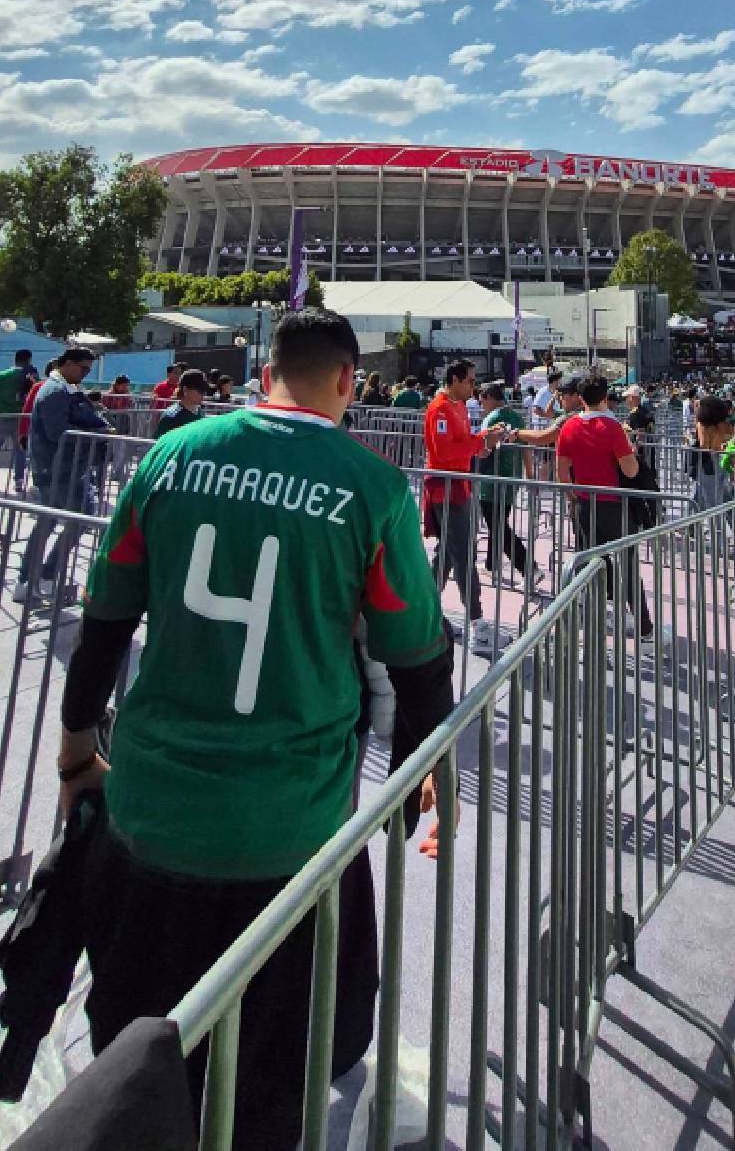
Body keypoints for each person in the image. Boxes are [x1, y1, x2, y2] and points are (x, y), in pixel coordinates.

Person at [53, 307, 453, 1150]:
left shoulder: (172, 455)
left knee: (136, 1050)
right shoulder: (373, 489)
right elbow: (417, 657)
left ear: (267, 369)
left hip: (154, 810)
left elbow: (104, 623)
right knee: (271, 1084)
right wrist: (428, 771)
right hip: (289, 829)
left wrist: (76, 750)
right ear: (348, 380)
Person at [555, 374, 654, 643]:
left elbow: (561, 469)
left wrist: (572, 497)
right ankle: (644, 630)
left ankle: (592, 625)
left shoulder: (568, 426)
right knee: (629, 565)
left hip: (584, 503)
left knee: (590, 565)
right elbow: (630, 470)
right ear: (604, 397)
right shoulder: (612, 428)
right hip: (614, 505)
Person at [14, 347, 112, 605]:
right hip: (57, 468)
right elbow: (59, 430)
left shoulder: (66, 388)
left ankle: (32, 579)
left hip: (65, 467)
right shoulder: (55, 391)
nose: (85, 374)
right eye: (83, 369)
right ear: (67, 363)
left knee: (52, 522)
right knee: (75, 518)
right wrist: (97, 433)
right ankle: (39, 576)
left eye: (88, 370)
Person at [422, 359, 507, 649]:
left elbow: (462, 445)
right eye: (471, 381)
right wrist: (481, 441)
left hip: (457, 486)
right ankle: (476, 622)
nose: (474, 386)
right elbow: (445, 453)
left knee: (448, 554)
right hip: (446, 489)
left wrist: (485, 439)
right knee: (461, 554)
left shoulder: (457, 407)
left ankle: (426, 614)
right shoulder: (440, 408)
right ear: (455, 380)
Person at [474, 380, 536, 587]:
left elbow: (482, 448)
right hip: (512, 478)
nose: (480, 404)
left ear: (489, 398)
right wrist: (530, 474)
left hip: (491, 480)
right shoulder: (517, 417)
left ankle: (529, 568)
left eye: (481, 399)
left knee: (498, 525)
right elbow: (526, 447)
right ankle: (492, 564)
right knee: (498, 522)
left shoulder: (491, 419)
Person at [0, 348, 37, 490]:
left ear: (15, 359)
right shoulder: (32, 377)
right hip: (22, 419)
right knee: (21, 450)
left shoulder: (4, 374)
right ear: (28, 360)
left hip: (2, 416)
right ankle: (18, 480)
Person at [155, 368, 209, 437]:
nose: (203, 394)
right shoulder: (171, 417)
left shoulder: (200, 412)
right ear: (185, 390)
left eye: (204, 390)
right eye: (200, 390)